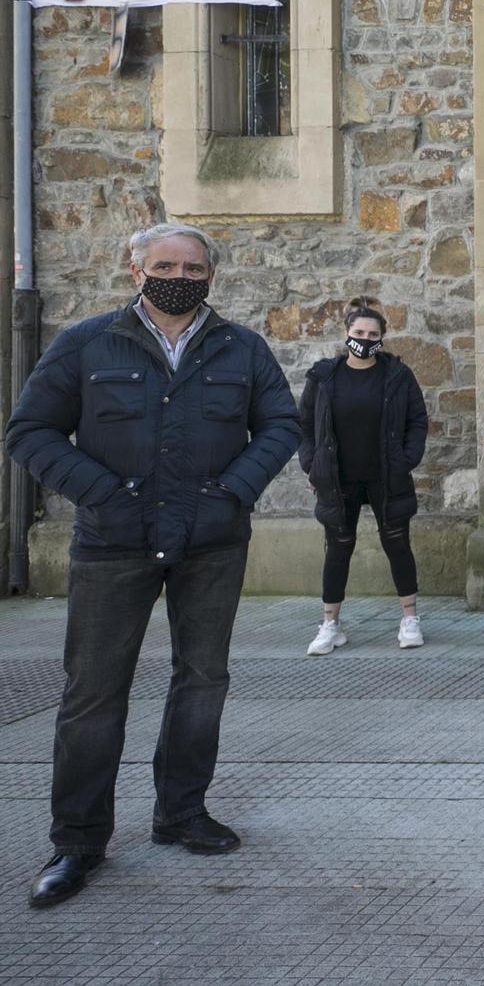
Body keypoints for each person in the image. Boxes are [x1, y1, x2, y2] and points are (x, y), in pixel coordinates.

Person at [6, 223, 300, 909]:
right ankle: (77, 840)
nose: (180, 274)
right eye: (165, 263)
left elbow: (282, 423)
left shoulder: (241, 348)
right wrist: (101, 491)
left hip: (211, 542)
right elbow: (29, 430)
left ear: (211, 277)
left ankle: (181, 812)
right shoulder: (85, 344)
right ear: (135, 270)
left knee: (202, 680)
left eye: (193, 266)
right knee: (93, 692)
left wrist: (232, 491)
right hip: (113, 541)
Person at [296, 298, 431, 655]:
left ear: (382, 338)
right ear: (347, 334)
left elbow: (417, 420)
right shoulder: (324, 377)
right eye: (359, 332)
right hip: (339, 480)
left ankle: (409, 619)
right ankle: (330, 625)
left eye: (373, 333)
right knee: (338, 549)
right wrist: (311, 465)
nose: (365, 338)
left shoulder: (398, 376)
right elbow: (305, 426)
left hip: (386, 476)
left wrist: (406, 459)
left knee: (397, 544)